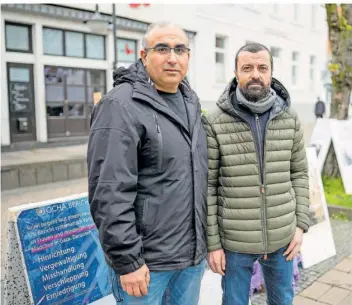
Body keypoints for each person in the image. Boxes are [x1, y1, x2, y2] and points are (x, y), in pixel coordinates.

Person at [87, 22, 208, 305]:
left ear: (188, 57)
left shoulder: (190, 100)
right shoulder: (120, 106)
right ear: (143, 55)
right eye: (162, 49)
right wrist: (127, 260)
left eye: (180, 49)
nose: (172, 57)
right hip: (146, 265)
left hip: (189, 258)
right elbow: (109, 191)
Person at [203, 43, 310, 305]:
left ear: (271, 72)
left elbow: (299, 172)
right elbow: (209, 186)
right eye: (247, 68)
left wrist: (300, 225)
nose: (255, 74)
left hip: (283, 237)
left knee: (282, 300)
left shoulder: (289, 117)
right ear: (236, 73)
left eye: (262, 67)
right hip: (235, 241)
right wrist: (214, 244)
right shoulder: (216, 120)